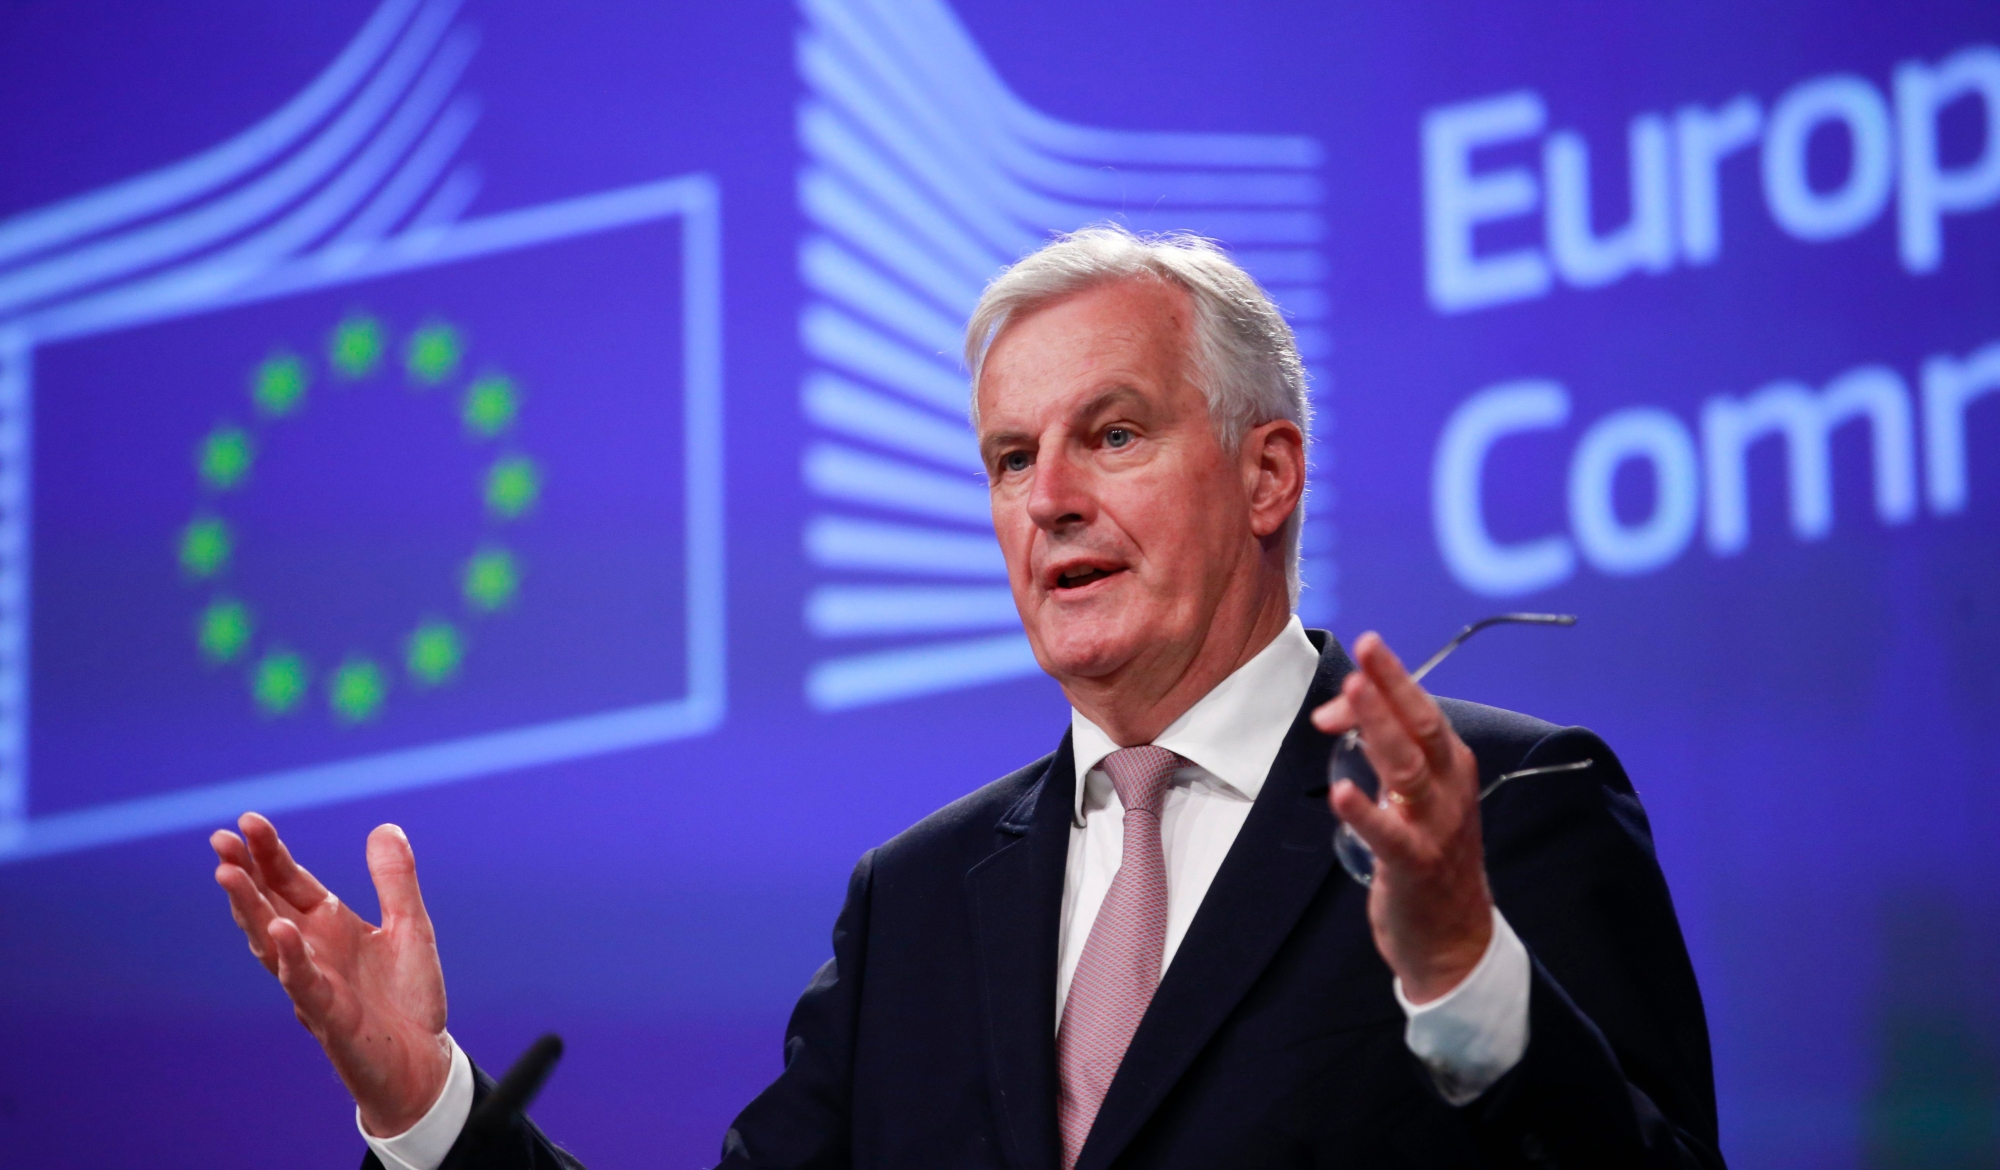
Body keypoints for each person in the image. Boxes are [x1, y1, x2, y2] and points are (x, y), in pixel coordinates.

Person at [213, 227, 1724, 1169]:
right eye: (1011, 458)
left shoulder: (1492, 808)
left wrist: (1462, 966)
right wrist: (426, 1108)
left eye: (1112, 433)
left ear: (1269, 473)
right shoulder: (918, 907)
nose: (1050, 498)